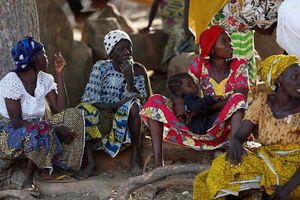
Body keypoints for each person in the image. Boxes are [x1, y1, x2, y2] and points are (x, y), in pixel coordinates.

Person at [140, 25, 249, 168]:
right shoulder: (198, 65)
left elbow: (240, 98)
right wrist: (179, 102)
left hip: (223, 126)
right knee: (155, 101)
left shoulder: (239, 65)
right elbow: (185, 89)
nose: (231, 45)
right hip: (196, 121)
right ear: (212, 49)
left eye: (230, 41)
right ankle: (157, 163)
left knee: (237, 99)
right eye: (225, 41)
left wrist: (202, 107)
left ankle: (234, 151)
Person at [193, 54, 300, 200]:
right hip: (267, 160)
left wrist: (287, 189)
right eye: (295, 77)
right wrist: (235, 143)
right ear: (278, 80)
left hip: (295, 172)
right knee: (222, 166)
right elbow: (239, 135)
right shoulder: (262, 103)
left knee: (274, 190)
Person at [0, 37, 85, 196]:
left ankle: (55, 168)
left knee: (73, 116)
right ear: (34, 59)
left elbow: (61, 109)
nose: (46, 58)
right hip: (10, 133)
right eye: (43, 54)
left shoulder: (44, 79)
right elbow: (17, 122)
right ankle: (28, 181)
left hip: (39, 127)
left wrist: (59, 74)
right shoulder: (11, 82)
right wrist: (52, 128)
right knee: (41, 128)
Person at [77, 30, 152, 178]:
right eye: (121, 49)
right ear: (111, 54)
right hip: (103, 115)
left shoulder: (137, 69)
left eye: (128, 48)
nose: (127, 52)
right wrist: (118, 104)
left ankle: (135, 159)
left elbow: (143, 101)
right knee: (83, 110)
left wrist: (130, 79)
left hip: (128, 121)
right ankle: (91, 164)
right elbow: (90, 98)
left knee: (134, 106)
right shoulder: (101, 67)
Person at [185, 0, 283, 97]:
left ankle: (242, 106)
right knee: (210, 72)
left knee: (242, 74)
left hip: (241, 27)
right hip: (212, 21)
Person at [140, 0, 196, 71]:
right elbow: (155, 6)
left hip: (184, 21)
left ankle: (190, 58)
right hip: (170, 22)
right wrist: (149, 25)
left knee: (192, 32)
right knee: (180, 32)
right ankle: (172, 61)